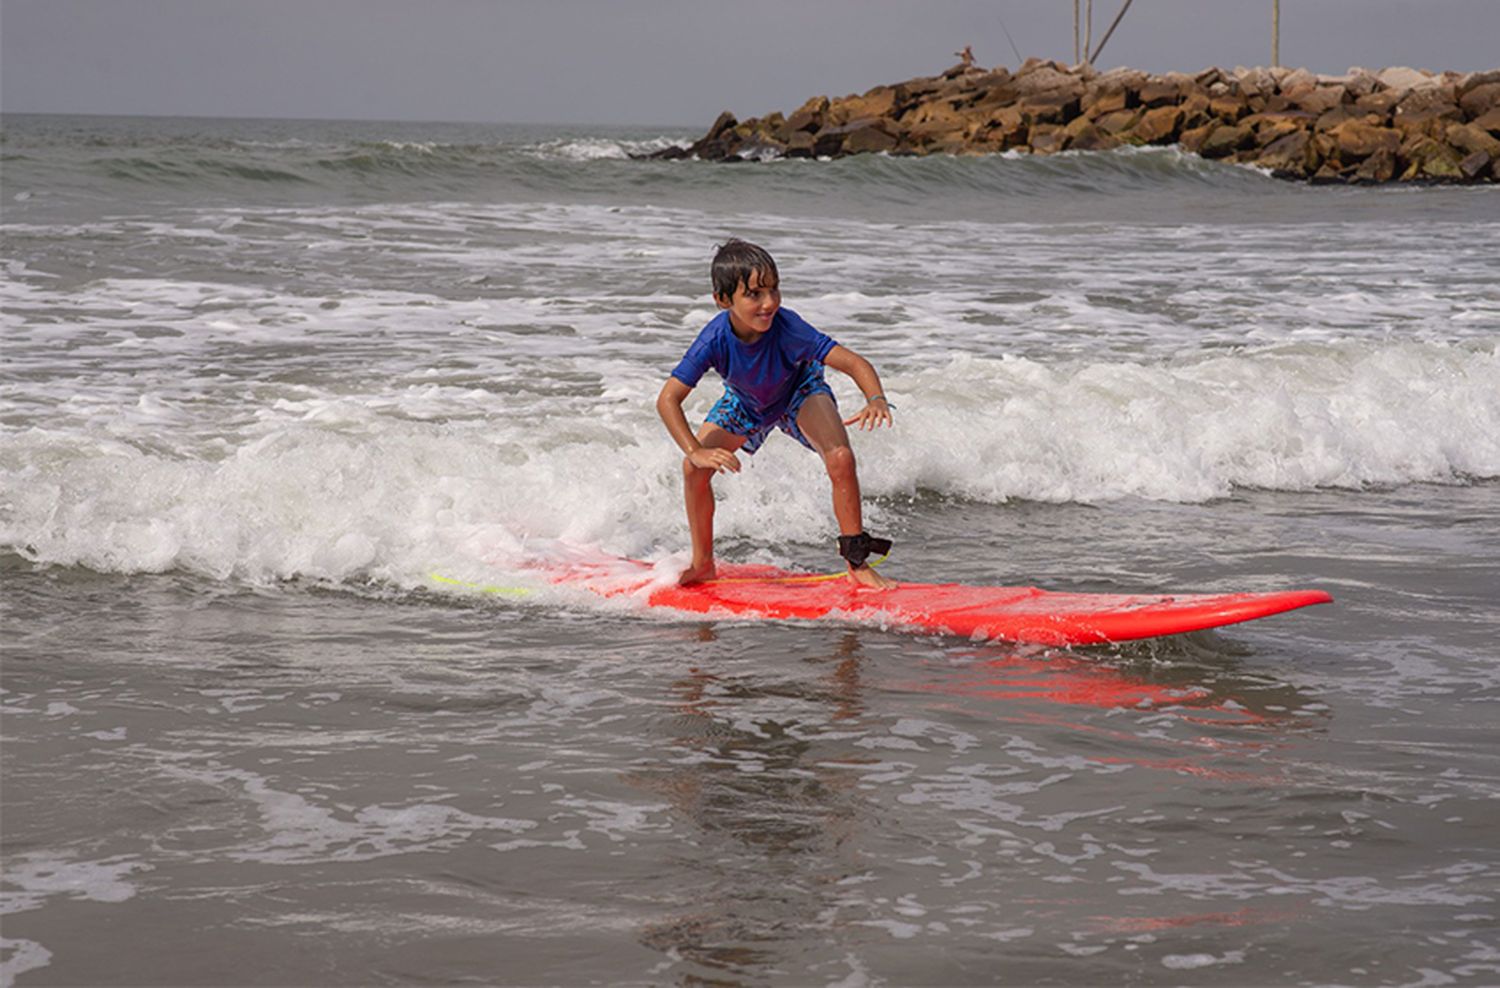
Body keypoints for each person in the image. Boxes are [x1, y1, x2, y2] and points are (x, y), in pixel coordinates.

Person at [656, 239, 896, 589]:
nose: (769, 303)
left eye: (774, 290)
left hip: (799, 390)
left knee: (841, 457)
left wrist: (875, 398)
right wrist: (696, 450)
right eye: (754, 294)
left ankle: (856, 564)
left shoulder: (789, 327)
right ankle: (703, 563)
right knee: (694, 468)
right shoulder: (714, 340)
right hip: (747, 402)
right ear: (723, 300)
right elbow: (668, 399)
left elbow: (854, 362)